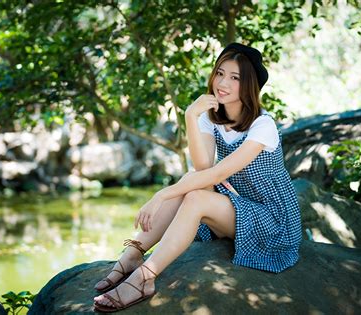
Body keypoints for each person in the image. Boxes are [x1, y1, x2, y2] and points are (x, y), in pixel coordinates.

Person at [93, 42, 302, 313]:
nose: (223, 82)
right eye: (220, 73)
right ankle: (133, 253)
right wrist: (191, 115)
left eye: (235, 78)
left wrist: (161, 195)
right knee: (191, 181)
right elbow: (203, 167)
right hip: (242, 209)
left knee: (195, 197)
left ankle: (145, 278)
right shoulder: (212, 117)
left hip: (274, 221)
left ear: (249, 85)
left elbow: (217, 173)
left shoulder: (263, 126)